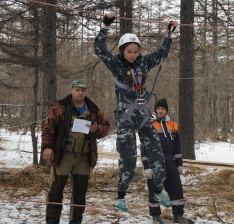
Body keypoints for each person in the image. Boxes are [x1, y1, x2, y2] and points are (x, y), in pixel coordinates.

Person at [94, 12, 176, 212]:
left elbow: (160, 54)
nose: (133, 54)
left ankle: (158, 189)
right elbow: (99, 49)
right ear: (122, 51)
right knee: (128, 157)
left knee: (156, 153)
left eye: (135, 51)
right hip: (126, 117)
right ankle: (121, 196)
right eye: (129, 51)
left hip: (143, 115)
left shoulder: (143, 62)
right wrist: (105, 27)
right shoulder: (116, 64)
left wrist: (169, 34)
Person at [42, 79, 110, 224]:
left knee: (80, 193)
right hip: (63, 155)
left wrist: (96, 129)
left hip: (83, 157)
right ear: (71, 91)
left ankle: (75, 221)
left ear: (86, 92)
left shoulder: (93, 109)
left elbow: (106, 125)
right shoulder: (60, 107)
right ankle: (52, 221)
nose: (80, 92)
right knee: (56, 191)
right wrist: (47, 147)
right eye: (77, 90)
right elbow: (48, 128)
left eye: (82, 90)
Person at [141, 99, 194, 224]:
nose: (160, 111)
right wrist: (146, 166)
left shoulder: (173, 126)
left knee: (177, 190)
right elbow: (144, 148)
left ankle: (178, 216)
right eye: (158, 108)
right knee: (154, 191)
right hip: (155, 165)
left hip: (171, 164)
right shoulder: (149, 125)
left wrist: (179, 164)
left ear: (166, 110)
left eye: (163, 109)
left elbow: (177, 147)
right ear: (155, 110)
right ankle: (156, 217)